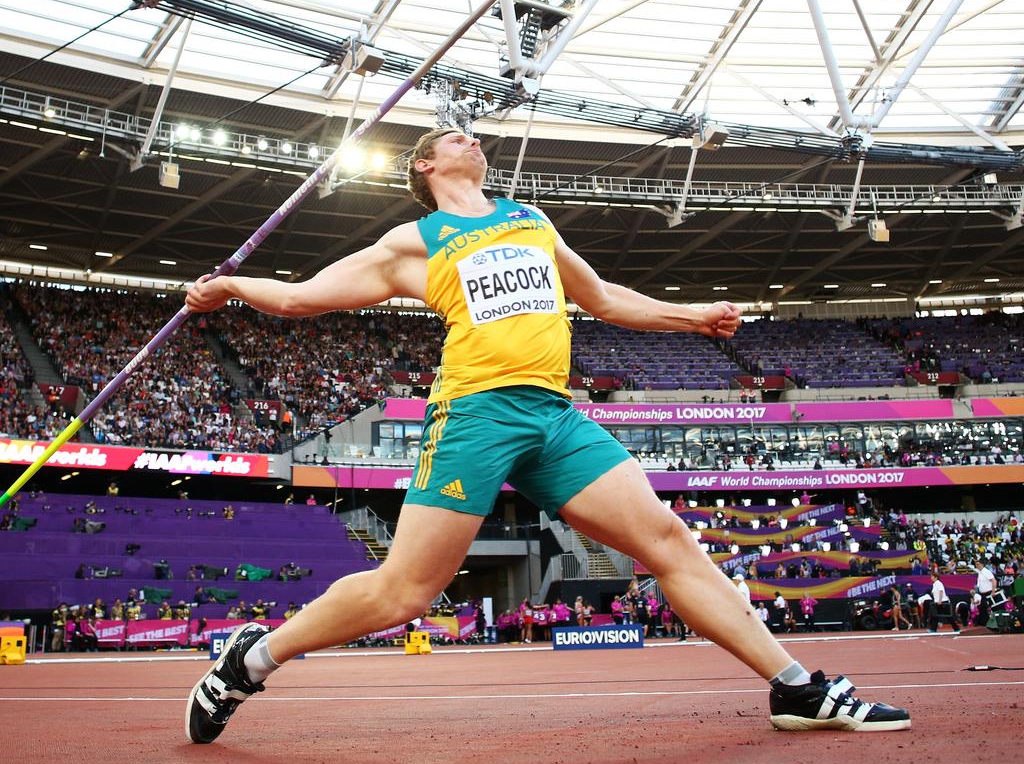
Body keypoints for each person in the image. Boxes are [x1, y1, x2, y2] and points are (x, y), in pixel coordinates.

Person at [184, 126, 909, 743]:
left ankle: (794, 688)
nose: (469, 135)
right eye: (448, 136)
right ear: (426, 167)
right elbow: (303, 297)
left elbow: (599, 297)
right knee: (403, 594)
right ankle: (251, 659)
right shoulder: (415, 241)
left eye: (471, 133)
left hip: (554, 416)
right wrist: (231, 286)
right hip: (476, 415)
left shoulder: (530, 218)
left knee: (668, 541)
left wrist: (693, 317)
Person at [973, 558, 996, 627]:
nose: (977, 566)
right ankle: (983, 623)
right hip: (982, 593)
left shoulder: (986, 572)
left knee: (988, 607)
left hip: (988, 593)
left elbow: (994, 581)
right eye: (976, 565)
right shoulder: (980, 573)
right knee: (982, 608)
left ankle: (985, 623)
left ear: (982, 564)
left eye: (978, 564)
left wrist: (993, 591)